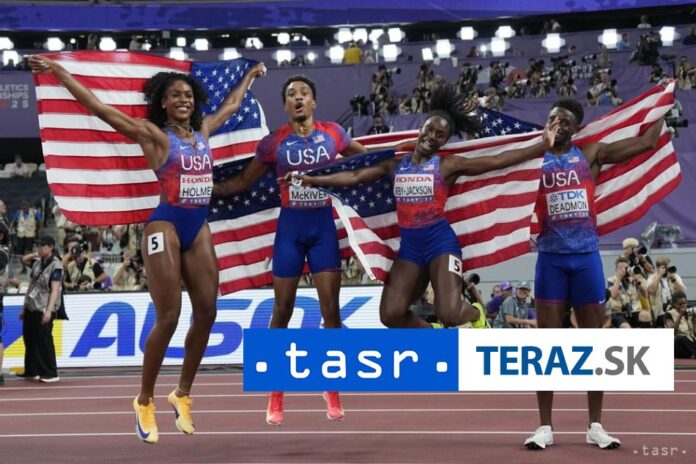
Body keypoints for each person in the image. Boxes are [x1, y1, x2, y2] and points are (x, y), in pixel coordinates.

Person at [29, 54, 266, 443]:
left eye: (188, 94)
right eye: (175, 95)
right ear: (163, 102)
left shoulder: (204, 130)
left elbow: (233, 105)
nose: (183, 99)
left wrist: (250, 75)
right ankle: (144, 400)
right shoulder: (153, 135)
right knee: (169, 316)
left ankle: (182, 393)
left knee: (207, 312)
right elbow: (101, 110)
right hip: (165, 225)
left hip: (197, 226)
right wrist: (59, 73)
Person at [289, 82, 557, 331]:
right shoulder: (395, 164)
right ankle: (432, 334)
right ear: (421, 127)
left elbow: (498, 160)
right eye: (429, 129)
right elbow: (355, 176)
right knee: (390, 315)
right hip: (411, 250)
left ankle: (476, 314)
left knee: (449, 314)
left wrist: (541, 145)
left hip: (441, 245)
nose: (432, 137)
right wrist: (313, 179)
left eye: (440, 135)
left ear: (445, 141)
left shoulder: (448, 165)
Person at [212, 74, 368, 427]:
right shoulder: (273, 142)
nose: (298, 98)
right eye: (291, 94)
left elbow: (368, 161)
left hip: (323, 229)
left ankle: (332, 388)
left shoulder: (334, 134)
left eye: (304, 93)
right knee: (281, 312)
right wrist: (208, 188)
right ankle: (276, 393)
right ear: (285, 105)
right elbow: (243, 181)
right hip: (290, 231)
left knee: (331, 314)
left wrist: (399, 163)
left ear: (314, 102)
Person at [524, 98, 665, 450]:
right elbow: (492, 166)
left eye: (565, 121)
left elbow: (647, 143)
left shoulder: (591, 154)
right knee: (547, 344)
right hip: (550, 260)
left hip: (586, 257)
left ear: (576, 129)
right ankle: (544, 426)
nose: (557, 124)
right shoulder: (532, 158)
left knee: (594, 344)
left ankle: (595, 425)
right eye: (552, 118)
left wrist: (664, 102)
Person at [19, 236, 62, 383]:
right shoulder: (37, 263)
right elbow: (31, 284)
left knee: (44, 340)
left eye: (43, 246)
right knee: (29, 338)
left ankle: (50, 372)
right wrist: (25, 306)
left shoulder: (56, 265)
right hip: (32, 305)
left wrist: (49, 311)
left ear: (51, 247)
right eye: (38, 246)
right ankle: (32, 370)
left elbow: (55, 290)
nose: (40, 248)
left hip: (44, 305)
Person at [664, 292, 696, 359]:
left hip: (691, 342)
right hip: (679, 344)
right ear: (674, 304)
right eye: (680, 304)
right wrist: (680, 316)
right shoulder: (669, 314)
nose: (683, 306)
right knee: (681, 339)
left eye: (684, 303)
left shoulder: (689, 312)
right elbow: (671, 331)